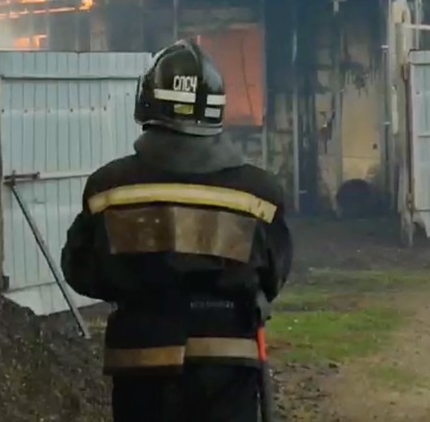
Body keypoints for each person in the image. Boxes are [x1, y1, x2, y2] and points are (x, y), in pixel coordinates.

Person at [60, 39, 293, 422]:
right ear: (217, 108)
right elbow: (272, 274)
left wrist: (142, 288)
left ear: (148, 103)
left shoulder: (110, 188)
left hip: (140, 358)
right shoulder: (259, 193)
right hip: (228, 358)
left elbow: (81, 271)